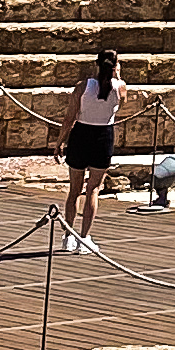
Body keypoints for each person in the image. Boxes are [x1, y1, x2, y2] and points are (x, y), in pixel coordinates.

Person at [62, 44, 122, 252]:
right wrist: (117, 75)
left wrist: (60, 141)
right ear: (115, 66)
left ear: (96, 64)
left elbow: (70, 117)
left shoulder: (82, 86)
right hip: (103, 136)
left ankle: (68, 235)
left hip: (81, 134)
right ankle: (84, 238)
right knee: (93, 190)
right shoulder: (120, 87)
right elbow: (122, 101)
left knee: (74, 191)